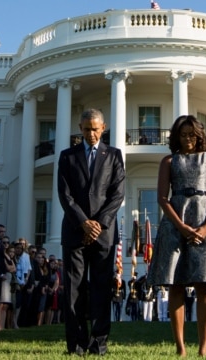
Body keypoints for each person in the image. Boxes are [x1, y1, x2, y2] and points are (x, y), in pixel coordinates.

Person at [147, 115, 206, 357]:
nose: (188, 139)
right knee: (177, 285)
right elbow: (163, 198)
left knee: (205, 286)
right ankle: (180, 347)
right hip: (175, 223)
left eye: (192, 135)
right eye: (183, 135)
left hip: (205, 220)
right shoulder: (168, 161)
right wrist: (182, 227)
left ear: (199, 135)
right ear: (176, 137)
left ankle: (203, 348)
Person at [57, 108, 126, 356]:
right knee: (74, 290)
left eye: (95, 129)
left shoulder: (114, 155)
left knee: (100, 289)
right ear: (80, 127)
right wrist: (84, 223)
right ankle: (75, 344)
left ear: (103, 127)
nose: (91, 134)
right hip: (75, 232)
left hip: (104, 233)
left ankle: (98, 344)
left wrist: (98, 224)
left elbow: (117, 194)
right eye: (86, 129)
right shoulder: (67, 156)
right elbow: (64, 195)